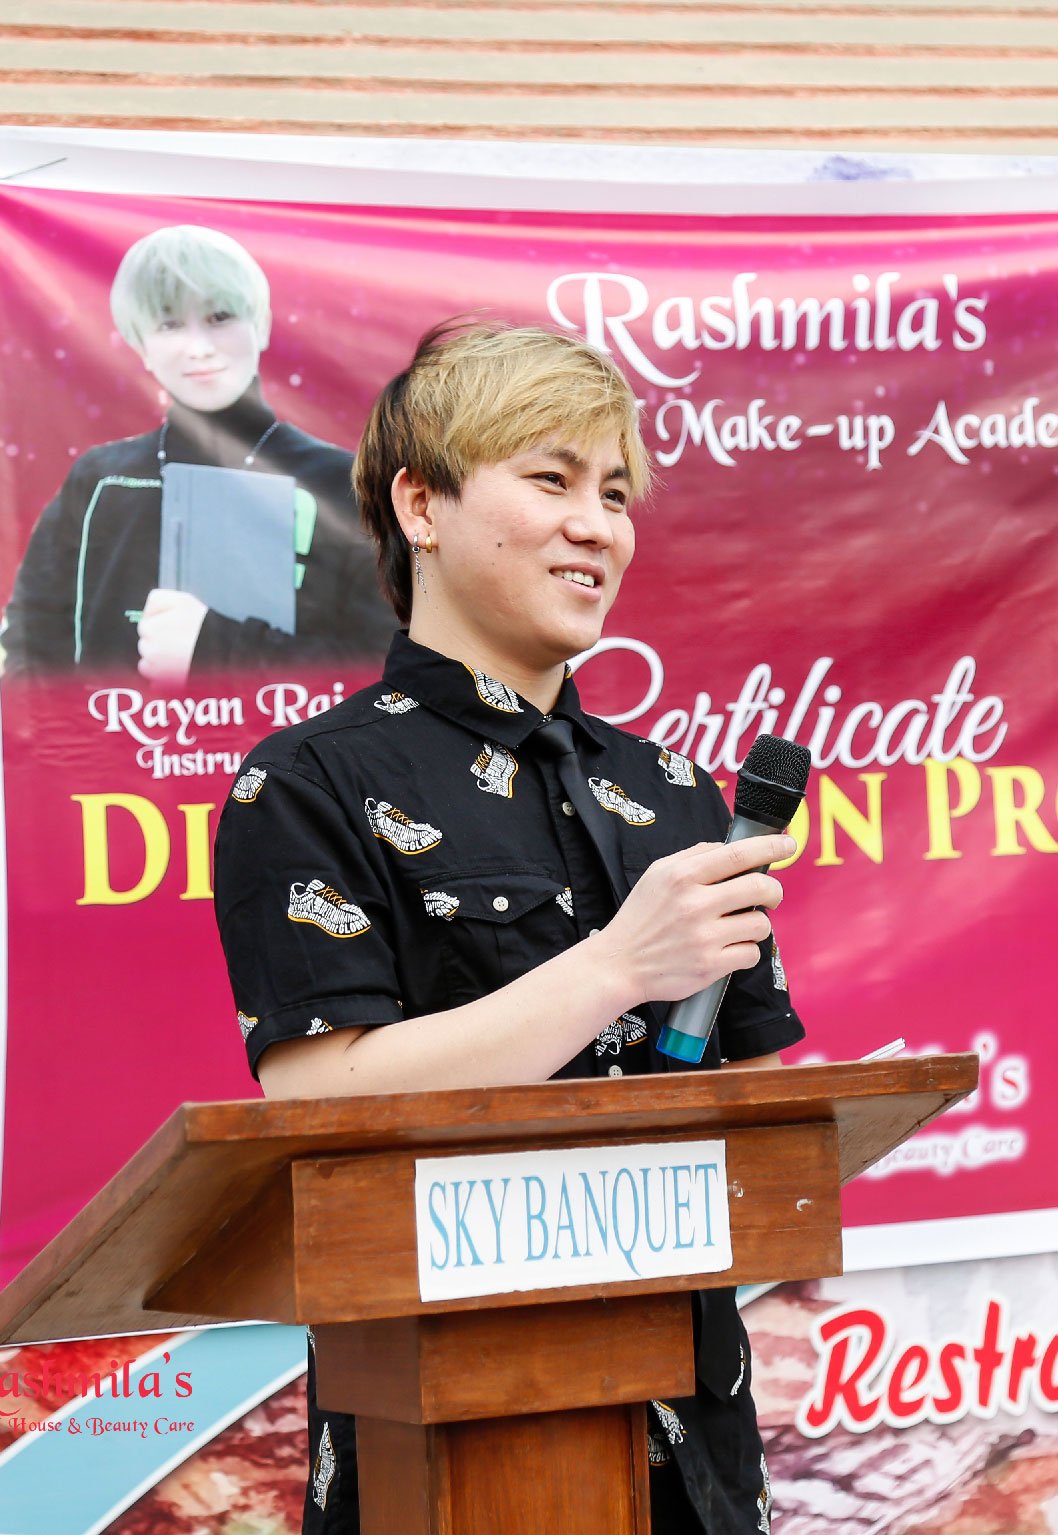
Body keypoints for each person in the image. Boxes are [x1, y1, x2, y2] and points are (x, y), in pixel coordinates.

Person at [213, 322, 804, 1533]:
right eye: (550, 479)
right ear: (419, 506)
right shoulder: (308, 783)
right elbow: (317, 1093)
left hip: (696, 1441)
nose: (596, 526)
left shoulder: (678, 793)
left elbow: (758, 1114)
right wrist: (616, 967)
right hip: (442, 1437)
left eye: (615, 494)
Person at [1, 224, 393, 682]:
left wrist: (212, 646)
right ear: (141, 347)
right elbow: (31, 641)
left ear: (261, 326)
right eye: (169, 324)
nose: (199, 348)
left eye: (220, 316)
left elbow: (384, 661)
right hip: (111, 729)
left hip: (286, 733)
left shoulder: (340, 482)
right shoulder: (100, 481)